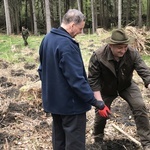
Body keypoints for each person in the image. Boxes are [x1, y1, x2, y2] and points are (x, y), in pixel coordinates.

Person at [38, 9, 108, 150]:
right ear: (71, 25)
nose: (81, 32)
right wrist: (95, 102)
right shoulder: (67, 45)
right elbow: (77, 80)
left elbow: (41, 70)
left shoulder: (47, 39)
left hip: (54, 103)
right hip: (71, 106)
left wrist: (52, 91)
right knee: (74, 144)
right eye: (80, 28)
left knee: (59, 141)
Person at [88, 28, 150, 150]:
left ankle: (147, 142)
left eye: (125, 47)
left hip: (126, 85)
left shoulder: (132, 53)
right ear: (111, 45)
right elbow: (93, 80)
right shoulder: (98, 56)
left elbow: (144, 71)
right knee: (101, 114)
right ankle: (98, 138)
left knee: (140, 106)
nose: (123, 50)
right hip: (106, 88)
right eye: (120, 47)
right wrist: (99, 103)